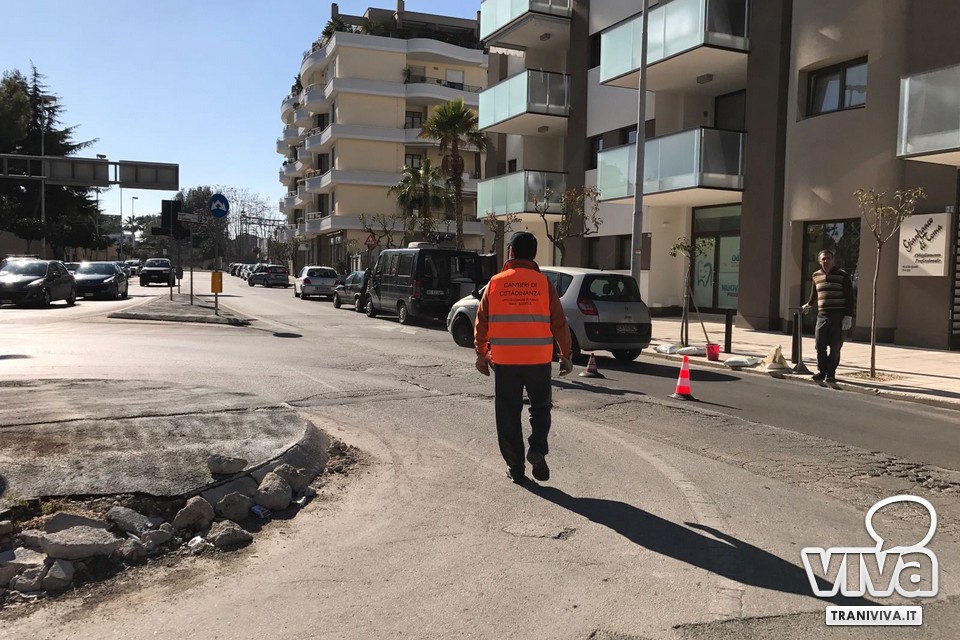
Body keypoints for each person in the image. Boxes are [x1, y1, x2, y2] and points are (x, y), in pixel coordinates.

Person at [473, 232, 573, 485]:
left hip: (505, 360)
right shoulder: (544, 283)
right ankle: (537, 448)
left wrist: (481, 353)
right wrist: (565, 354)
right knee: (541, 408)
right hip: (538, 359)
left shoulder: (495, 283)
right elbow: (559, 322)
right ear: (534, 254)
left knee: (508, 414)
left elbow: (482, 322)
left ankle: (515, 468)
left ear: (511, 252)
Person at [802, 249, 854, 383]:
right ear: (819, 261)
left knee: (835, 347)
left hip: (838, 316)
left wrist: (848, 316)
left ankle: (831, 373)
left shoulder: (842, 275)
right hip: (822, 316)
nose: (826, 261)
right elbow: (814, 293)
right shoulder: (816, 275)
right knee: (819, 345)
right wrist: (809, 304)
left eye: (828, 258)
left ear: (833, 260)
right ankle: (822, 371)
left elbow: (849, 297)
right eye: (823, 259)